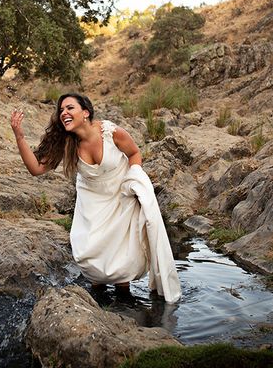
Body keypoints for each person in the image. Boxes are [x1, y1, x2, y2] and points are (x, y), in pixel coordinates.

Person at [11, 93, 181, 303]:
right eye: (61, 110)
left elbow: (135, 154)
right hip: (92, 204)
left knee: (122, 255)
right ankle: (97, 299)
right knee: (93, 255)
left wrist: (135, 179)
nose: (64, 112)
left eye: (70, 108)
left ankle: (124, 300)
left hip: (119, 199)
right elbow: (36, 169)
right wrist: (19, 136)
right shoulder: (66, 143)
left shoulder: (111, 133)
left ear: (85, 112)